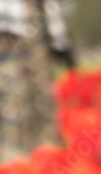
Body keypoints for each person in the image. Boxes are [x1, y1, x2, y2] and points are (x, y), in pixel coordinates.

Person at [0, 0, 74, 162]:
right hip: (7, 27)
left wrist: (61, 41)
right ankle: (11, 169)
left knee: (43, 101)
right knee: (11, 103)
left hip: (39, 24)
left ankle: (47, 165)